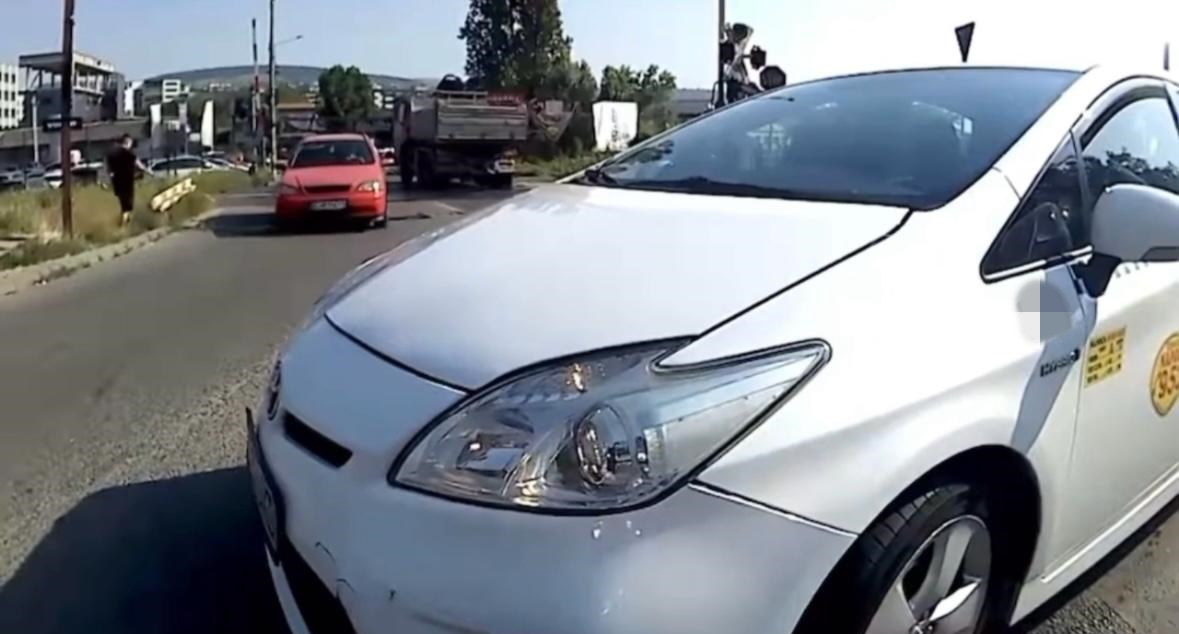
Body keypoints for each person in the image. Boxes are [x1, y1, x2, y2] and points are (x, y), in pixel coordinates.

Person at [106, 135, 148, 225]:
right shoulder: (129, 153)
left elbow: (109, 170)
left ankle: (122, 223)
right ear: (128, 142)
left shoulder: (113, 154)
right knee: (128, 206)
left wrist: (110, 180)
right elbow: (139, 165)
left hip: (117, 182)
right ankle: (124, 225)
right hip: (127, 182)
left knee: (123, 204)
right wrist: (149, 172)